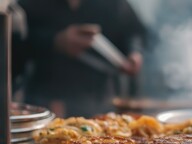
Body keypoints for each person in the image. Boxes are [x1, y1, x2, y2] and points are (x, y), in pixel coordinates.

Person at [13, 0, 146, 117]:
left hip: (101, 98)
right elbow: (15, 42)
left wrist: (134, 52)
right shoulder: (31, 3)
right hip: (47, 99)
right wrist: (55, 41)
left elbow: (134, 31)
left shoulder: (114, 3)